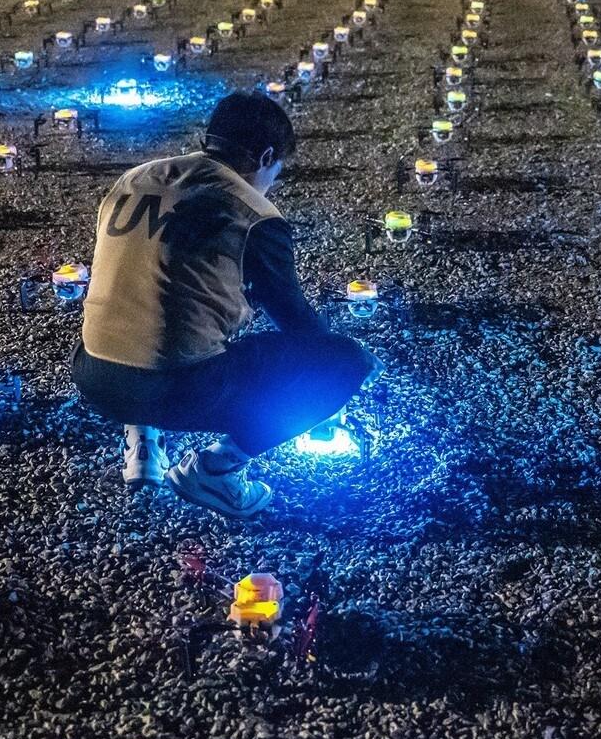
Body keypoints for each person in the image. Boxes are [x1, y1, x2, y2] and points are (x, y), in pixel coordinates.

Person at [72, 92, 379, 519]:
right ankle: (215, 471)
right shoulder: (252, 212)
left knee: (143, 304)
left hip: (95, 376)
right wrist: (335, 382)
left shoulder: (133, 179)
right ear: (266, 156)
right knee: (344, 362)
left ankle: (143, 443)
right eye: (275, 172)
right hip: (178, 389)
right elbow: (298, 324)